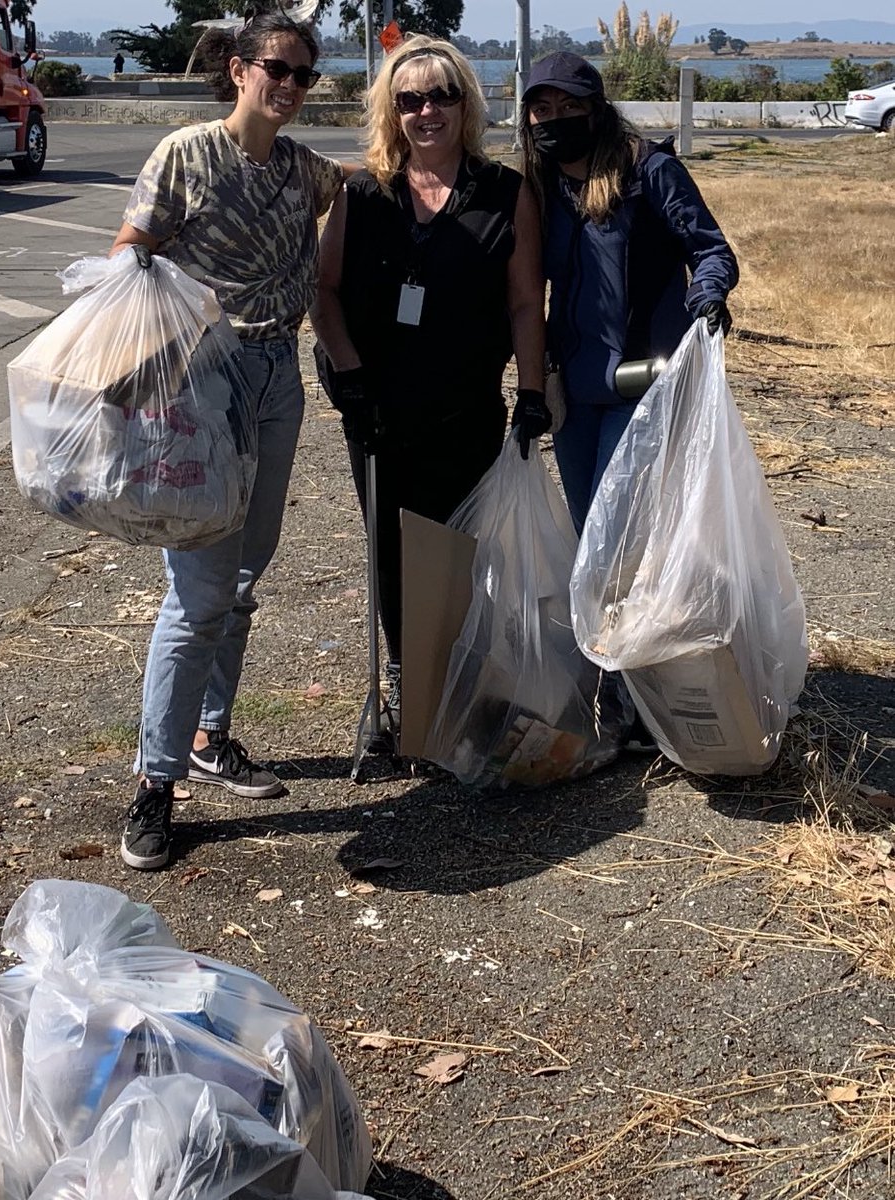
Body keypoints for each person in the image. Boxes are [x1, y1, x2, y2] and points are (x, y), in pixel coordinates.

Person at [109, 12, 349, 870]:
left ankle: (212, 738)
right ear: (240, 69)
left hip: (277, 377)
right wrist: (136, 378)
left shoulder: (301, 169)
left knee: (245, 573)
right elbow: (130, 254)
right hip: (201, 379)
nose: (289, 86)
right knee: (198, 593)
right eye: (277, 69)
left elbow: (359, 186)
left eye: (304, 76)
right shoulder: (186, 153)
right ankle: (155, 783)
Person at [311, 35, 547, 745]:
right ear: (392, 111)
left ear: (464, 104)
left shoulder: (505, 193)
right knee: (391, 551)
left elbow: (523, 303)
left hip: (465, 408)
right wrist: (348, 375)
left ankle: (462, 683)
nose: (426, 111)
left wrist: (532, 393)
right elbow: (321, 292)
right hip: (377, 411)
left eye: (441, 95)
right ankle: (402, 687)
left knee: (462, 554)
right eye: (409, 99)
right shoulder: (363, 192)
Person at [519, 51, 739, 532]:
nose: (556, 120)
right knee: (587, 530)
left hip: (642, 379)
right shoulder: (539, 188)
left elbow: (711, 250)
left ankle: (623, 608)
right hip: (573, 388)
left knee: (609, 532)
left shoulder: (649, 171)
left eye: (569, 106)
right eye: (543, 110)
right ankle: (605, 611)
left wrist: (708, 294)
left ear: (596, 109)